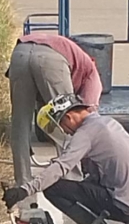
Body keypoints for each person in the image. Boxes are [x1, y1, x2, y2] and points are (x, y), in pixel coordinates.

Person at [2, 94, 129, 224]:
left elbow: (61, 167)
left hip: (121, 204)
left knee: (53, 188)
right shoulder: (107, 122)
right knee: (82, 182)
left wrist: (25, 190)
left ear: (69, 117)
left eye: (62, 126)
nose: (66, 132)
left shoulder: (86, 133)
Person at [7, 33, 102, 188]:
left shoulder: (77, 59)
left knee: (20, 123)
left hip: (20, 53)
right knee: (67, 121)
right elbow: (87, 120)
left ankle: (22, 183)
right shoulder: (91, 73)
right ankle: (73, 182)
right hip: (51, 59)